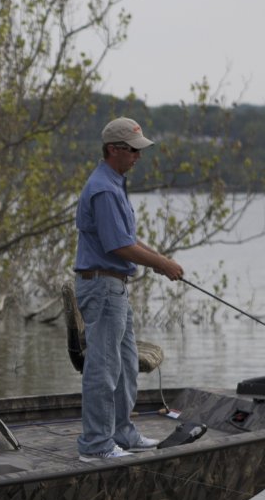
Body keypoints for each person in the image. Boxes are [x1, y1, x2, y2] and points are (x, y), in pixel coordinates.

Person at [73, 118, 184, 462]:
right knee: (103, 369)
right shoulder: (104, 189)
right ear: (113, 150)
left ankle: (122, 433)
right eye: (133, 150)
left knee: (125, 364)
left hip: (114, 288)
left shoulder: (114, 183)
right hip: (103, 286)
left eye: (140, 150)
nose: (138, 156)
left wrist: (159, 257)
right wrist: (160, 265)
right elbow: (116, 245)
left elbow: (128, 239)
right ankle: (96, 445)